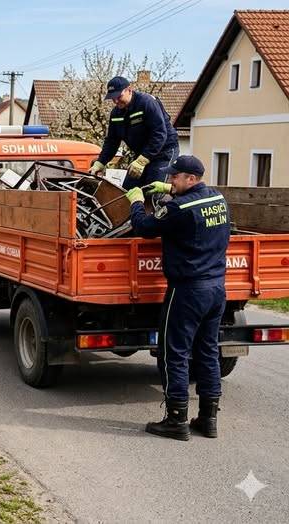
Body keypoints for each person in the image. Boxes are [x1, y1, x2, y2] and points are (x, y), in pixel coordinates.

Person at [124, 155, 230, 440]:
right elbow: (194, 203)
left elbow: (145, 228)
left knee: (175, 353)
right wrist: (168, 190)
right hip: (217, 289)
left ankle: (176, 420)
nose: (170, 180)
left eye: (175, 177)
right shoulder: (218, 199)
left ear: (191, 179)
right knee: (207, 351)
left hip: (188, 290)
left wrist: (135, 201)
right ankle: (208, 419)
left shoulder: (179, 209)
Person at [90, 75, 179, 191]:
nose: (116, 101)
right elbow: (112, 141)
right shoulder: (116, 114)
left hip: (163, 152)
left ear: (129, 90)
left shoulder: (147, 103)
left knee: (152, 191)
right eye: (112, 98)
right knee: (126, 192)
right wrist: (100, 162)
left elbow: (159, 134)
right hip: (141, 154)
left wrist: (143, 160)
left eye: (119, 96)